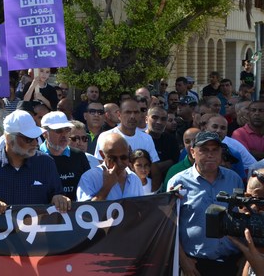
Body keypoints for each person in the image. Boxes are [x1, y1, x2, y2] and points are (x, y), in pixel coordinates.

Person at [168, 131, 244, 275]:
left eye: (215, 150)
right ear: (192, 152)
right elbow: (170, 227)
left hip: (232, 263)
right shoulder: (178, 182)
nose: (210, 155)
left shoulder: (234, 179)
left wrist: (245, 258)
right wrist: (183, 260)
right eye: (204, 150)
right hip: (196, 265)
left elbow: (243, 218)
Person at [0, 110, 71, 210]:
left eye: (36, 138)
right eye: (28, 139)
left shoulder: (46, 163)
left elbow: (57, 193)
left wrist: (59, 199)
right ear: (9, 139)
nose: (35, 143)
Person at [94, 99, 162, 190]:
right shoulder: (105, 137)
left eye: (136, 112)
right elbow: (100, 168)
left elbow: (154, 170)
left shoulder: (147, 138)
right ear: (119, 115)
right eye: (128, 112)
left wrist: (150, 193)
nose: (132, 116)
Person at [77, 132, 143, 201]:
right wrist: (107, 187)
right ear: (102, 155)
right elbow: (86, 209)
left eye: (123, 157)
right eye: (113, 158)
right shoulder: (89, 178)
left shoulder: (134, 179)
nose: (119, 163)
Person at [39, 112, 90, 200]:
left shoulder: (79, 155)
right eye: (58, 131)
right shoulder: (35, 158)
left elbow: (89, 186)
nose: (64, 135)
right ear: (45, 133)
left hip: (76, 211)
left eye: (67, 129)